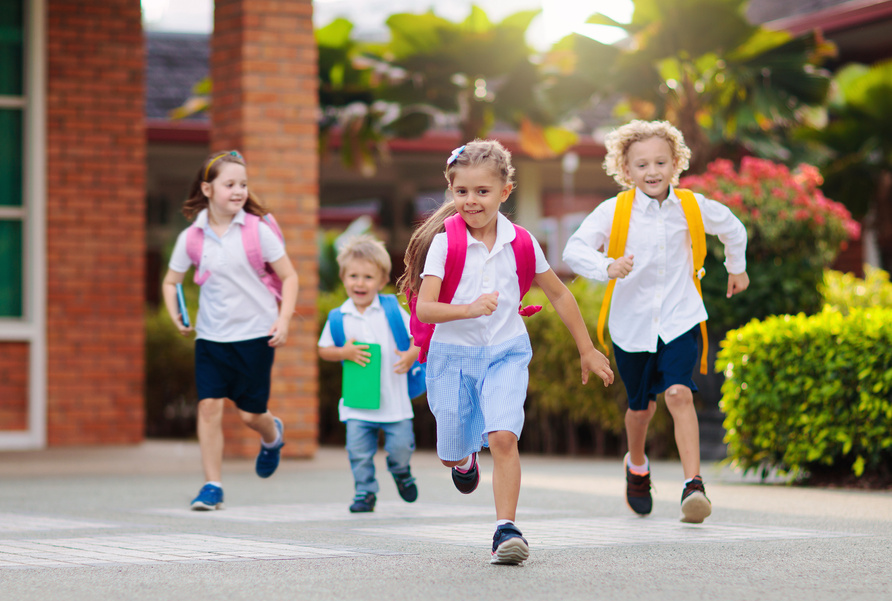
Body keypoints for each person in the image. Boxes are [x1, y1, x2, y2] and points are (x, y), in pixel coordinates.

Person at [399, 139, 614, 565]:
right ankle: (463, 464)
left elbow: (558, 294)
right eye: (462, 192)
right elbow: (424, 307)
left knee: (502, 436)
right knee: (451, 450)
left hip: (506, 352)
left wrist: (586, 349)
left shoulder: (522, 242)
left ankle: (506, 530)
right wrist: (468, 309)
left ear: (505, 192)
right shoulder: (445, 244)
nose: (471, 201)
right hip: (451, 358)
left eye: (482, 191)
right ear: (451, 191)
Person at [563, 120, 749, 524]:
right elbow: (574, 248)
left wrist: (737, 268)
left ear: (676, 164)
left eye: (661, 162)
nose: (652, 171)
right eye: (642, 164)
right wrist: (607, 265)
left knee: (680, 394)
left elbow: (733, 228)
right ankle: (637, 465)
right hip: (631, 326)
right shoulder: (615, 211)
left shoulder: (692, 207)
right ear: (625, 170)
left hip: (681, 317)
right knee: (641, 409)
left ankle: (693, 486)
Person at [162, 150, 299, 511]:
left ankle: (272, 436)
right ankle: (212, 485)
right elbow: (170, 281)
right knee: (208, 407)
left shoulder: (257, 231)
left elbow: (290, 276)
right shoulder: (192, 237)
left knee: (250, 415)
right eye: (229, 184)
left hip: (255, 335)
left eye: (243, 184)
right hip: (210, 337)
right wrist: (176, 313)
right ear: (207, 189)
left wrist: (283, 320)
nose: (238, 191)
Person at [317, 235, 421, 513]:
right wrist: (343, 352)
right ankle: (365, 492)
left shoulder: (391, 310)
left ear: (382, 279)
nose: (360, 283)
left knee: (400, 448)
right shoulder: (339, 316)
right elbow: (324, 349)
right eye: (353, 276)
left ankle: (401, 471)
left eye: (367, 277)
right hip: (357, 402)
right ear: (343, 278)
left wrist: (412, 354)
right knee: (358, 453)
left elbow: (418, 336)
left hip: (394, 401)